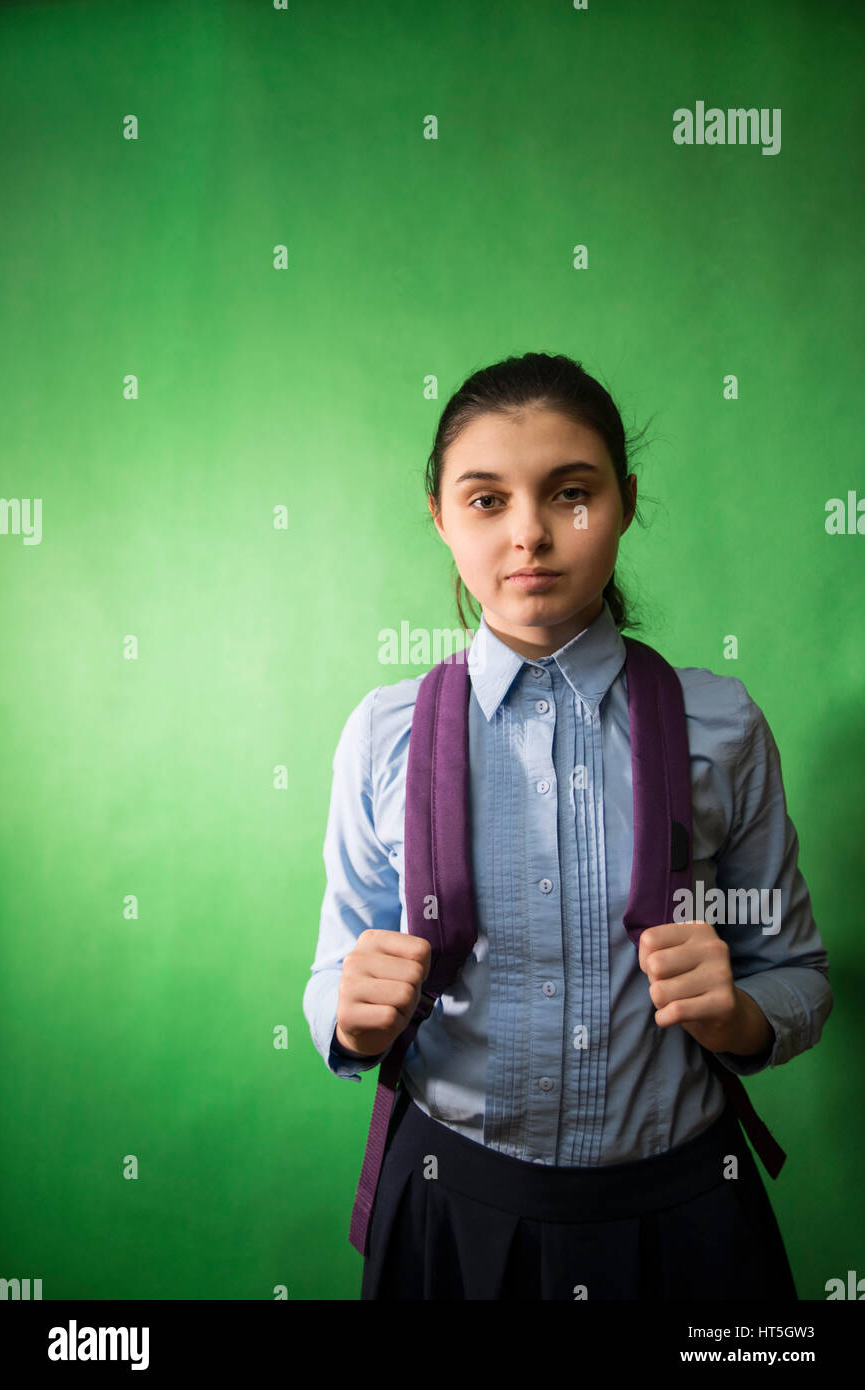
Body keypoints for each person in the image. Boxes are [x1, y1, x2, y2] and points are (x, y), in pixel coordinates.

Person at [302, 351, 833, 1300]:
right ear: (439, 517)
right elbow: (330, 975)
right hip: (448, 1207)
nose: (531, 535)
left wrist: (744, 1015)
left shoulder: (724, 724)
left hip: (687, 1214)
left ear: (624, 502)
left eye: (570, 493)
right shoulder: (383, 733)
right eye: (485, 500)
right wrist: (345, 1014)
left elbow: (797, 974)